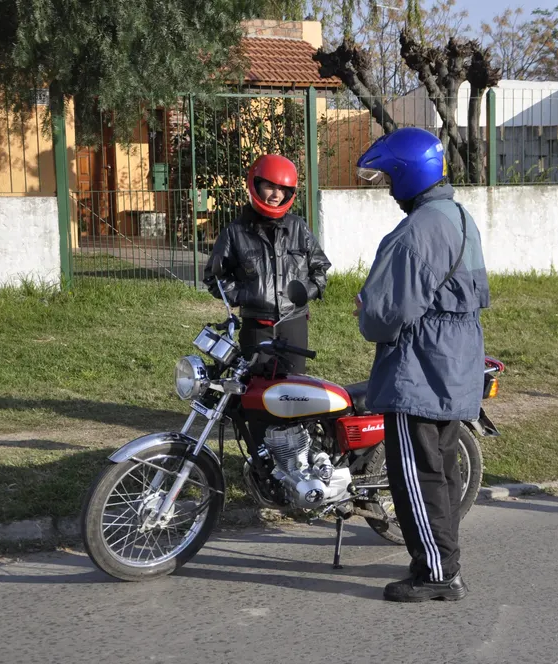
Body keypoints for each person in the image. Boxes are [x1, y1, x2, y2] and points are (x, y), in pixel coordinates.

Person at [353, 127, 490, 602]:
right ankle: (442, 560)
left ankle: (437, 574)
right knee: (442, 471)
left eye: (391, 177)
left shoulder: (416, 231)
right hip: (453, 365)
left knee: (416, 474)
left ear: (410, 174)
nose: (389, 188)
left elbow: (384, 315)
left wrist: (365, 310)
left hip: (419, 368)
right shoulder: (458, 216)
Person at [202, 154, 331, 374]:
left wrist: (305, 293)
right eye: (270, 186)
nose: (276, 194)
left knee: (294, 388)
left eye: (282, 188)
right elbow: (214, 276)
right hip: (256, 325)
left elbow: (320, 269)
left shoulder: (299, 228)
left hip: (294, 321)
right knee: (255, 388)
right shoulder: (235, 232)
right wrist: (244, 295)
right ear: (256, 184)